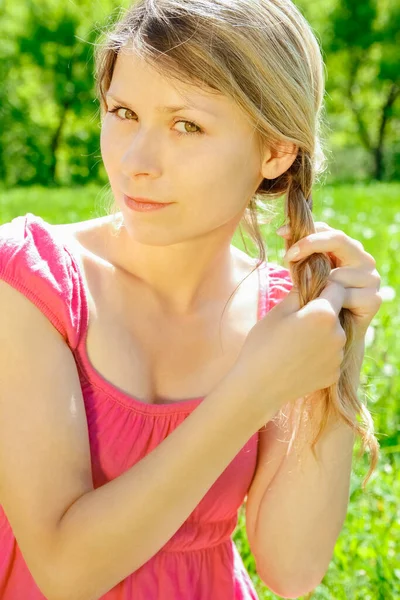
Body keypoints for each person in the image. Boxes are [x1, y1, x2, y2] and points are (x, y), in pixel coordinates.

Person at [0, 1, 382, 599]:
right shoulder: (32, 283)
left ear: (275, 151)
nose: (135, 162)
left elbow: (293, 569)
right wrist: (253, 388)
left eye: (187, 126)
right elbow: (65, 572)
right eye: (123, 113)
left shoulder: (283, 316)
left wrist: (341, 343)